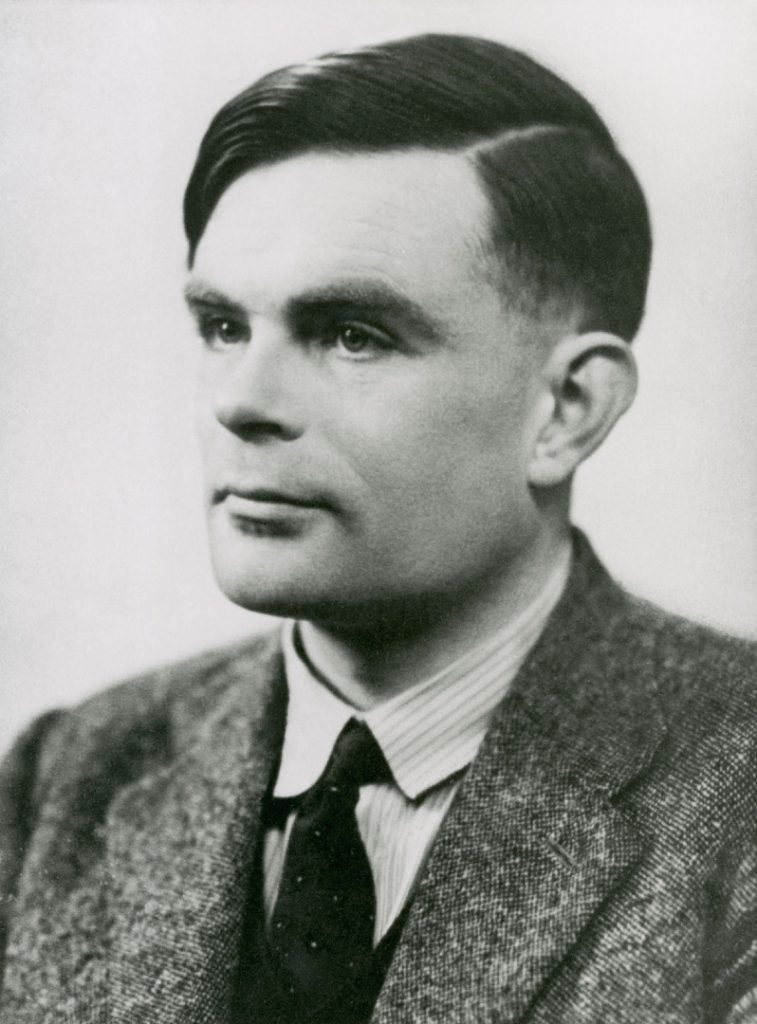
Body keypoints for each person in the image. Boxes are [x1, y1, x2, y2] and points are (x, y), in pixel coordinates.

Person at [1, 32, 756, 1024]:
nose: (243, 401)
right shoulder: (65, 777)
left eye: (353, 335)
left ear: (568, 407)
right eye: (224, 326)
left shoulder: (732, 795)